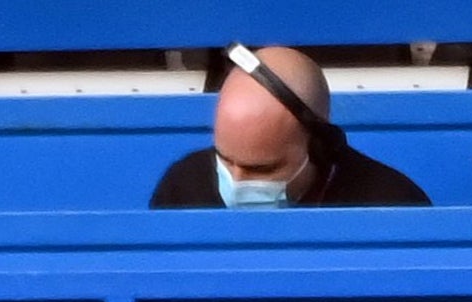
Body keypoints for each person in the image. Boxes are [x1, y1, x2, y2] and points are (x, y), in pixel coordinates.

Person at [150, 45, 430, 211]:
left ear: (321, 147)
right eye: (223, 160)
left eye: (262, 169)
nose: (236, 182)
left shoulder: (393, 205)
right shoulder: (182, 188)